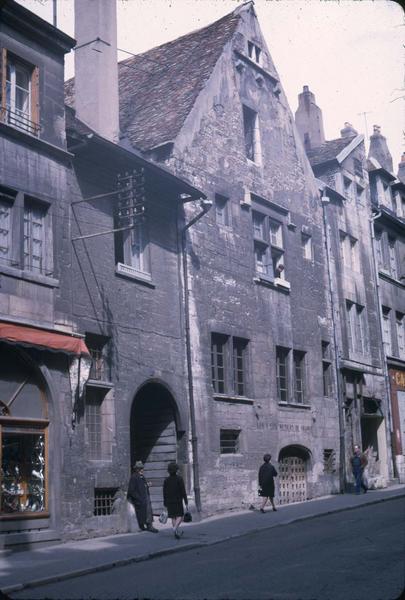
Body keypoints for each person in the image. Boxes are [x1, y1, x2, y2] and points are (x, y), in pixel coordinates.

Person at [127, 461, 158, 532]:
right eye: (140, 468)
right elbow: (131, 491)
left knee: (148, 512)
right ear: (136, 469)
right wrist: (139, 498)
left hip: (145, 497)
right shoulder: (134, 477)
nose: (142, 470)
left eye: (142, 468)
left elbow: (142, 486)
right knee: (143, 513)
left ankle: (149, 526)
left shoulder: (142, 477)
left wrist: (147, 485)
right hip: (140, 499)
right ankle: (143, 526)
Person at [163, 462, 188, 539]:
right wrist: (186, 501)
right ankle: (175, 529)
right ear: (176, 470)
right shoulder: (179, 479)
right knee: (180, 515)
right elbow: (183, 491)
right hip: (178, 501)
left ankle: (176, 533)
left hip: (169, 501)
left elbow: (164, 492)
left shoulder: (166, 480)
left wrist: (165, 503)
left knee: (173, 517)